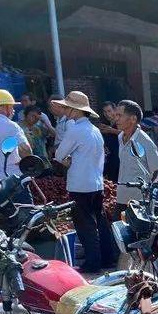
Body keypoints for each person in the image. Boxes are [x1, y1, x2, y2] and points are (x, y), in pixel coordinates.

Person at [53, 91, 117, 273]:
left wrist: (67, 160)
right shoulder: (94, 129)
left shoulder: (75, 129)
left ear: (74, 110)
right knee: (101, 224)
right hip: (96, 183)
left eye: (67, 107)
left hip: (80, 185)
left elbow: (59, 155)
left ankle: (93, 263)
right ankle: (108, 258)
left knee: (85, 227)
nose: (65, 110)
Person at [114, 99, 158, 220]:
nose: (116, 119)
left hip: (139, 201)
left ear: (133, 119)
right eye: (116, 115)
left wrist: (157, 181)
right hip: (121, 197)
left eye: (120, 115)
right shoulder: (121, 136)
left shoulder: (145, 141)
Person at [0, 90, 32, 181]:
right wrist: (27, 161)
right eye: (11, 106)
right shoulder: (11, 126)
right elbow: (26, 149)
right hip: (14, 179)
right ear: (5, 106)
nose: (13, 110)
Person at [19, 105, 52, 172]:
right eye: (33, 116)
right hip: (27, 164)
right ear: (25, 115)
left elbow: (55, 135)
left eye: (37, 117)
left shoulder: (39, 128)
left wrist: (46, 122)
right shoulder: (18, 128)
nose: (35, 119)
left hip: (43, 163)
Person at [96, 101, 121, 183]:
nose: (107, 114)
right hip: (110, 159)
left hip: (120, 160)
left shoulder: (120, 123)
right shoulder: (105, 125)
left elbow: (127, 134)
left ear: (115, 110)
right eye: (104, 112)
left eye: (109, 111)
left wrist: (111, 130)